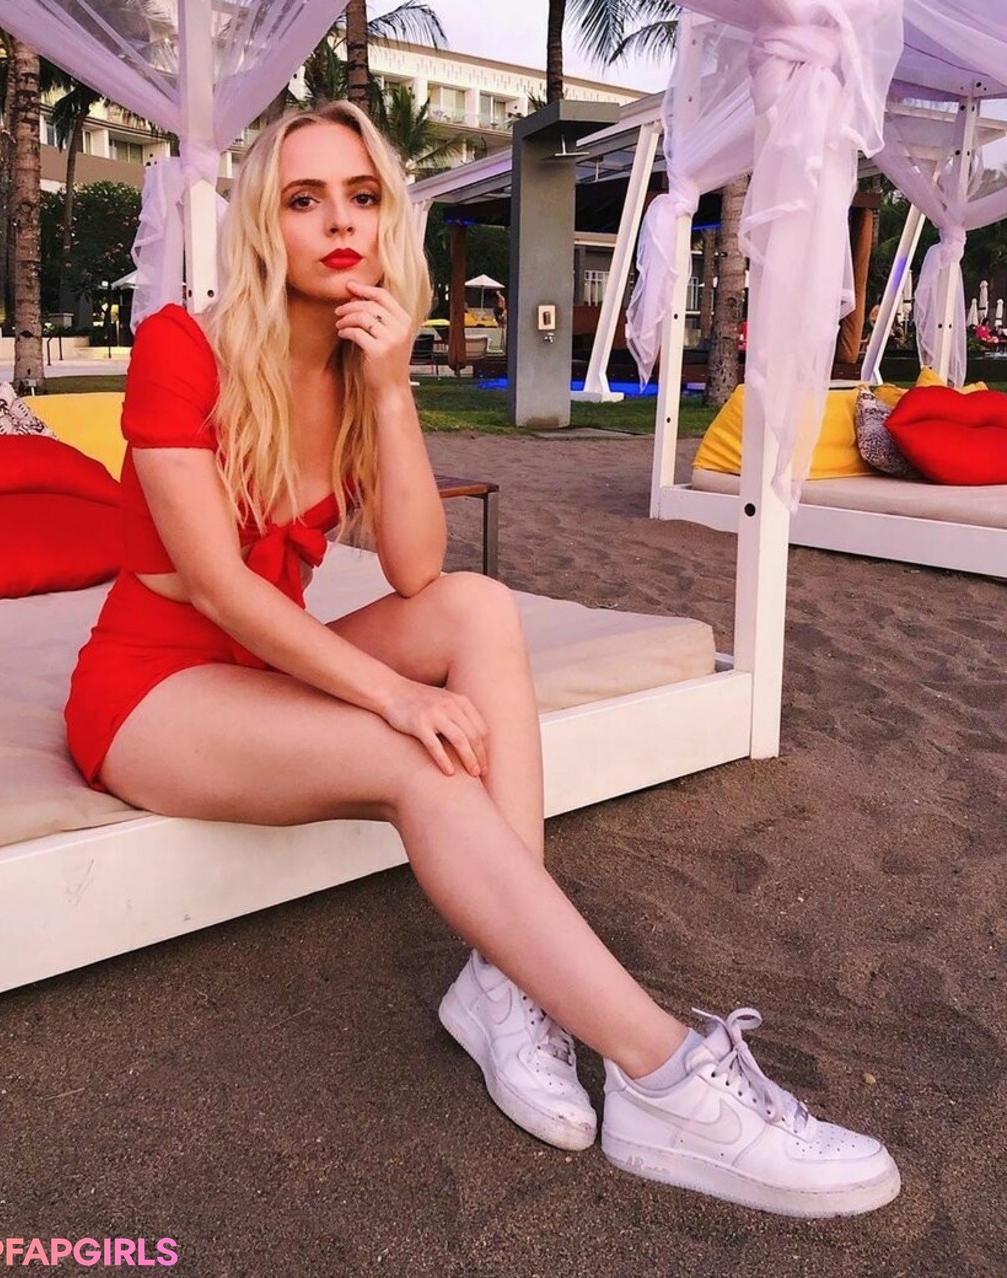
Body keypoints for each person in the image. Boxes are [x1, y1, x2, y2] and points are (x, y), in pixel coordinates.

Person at [65, 102, 900, 1219]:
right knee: (420, 761)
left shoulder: (362, 364)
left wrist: (391, 385)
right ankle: (662, 1077)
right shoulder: (182, 345)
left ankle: (507, 985)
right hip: (152, 693)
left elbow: (418, 569)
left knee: (478, 607)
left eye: (363, 197)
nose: (340, 223)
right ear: (264, 221)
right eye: (305, 200)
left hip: (261, 676)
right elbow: (218, 588)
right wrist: (394, 699)